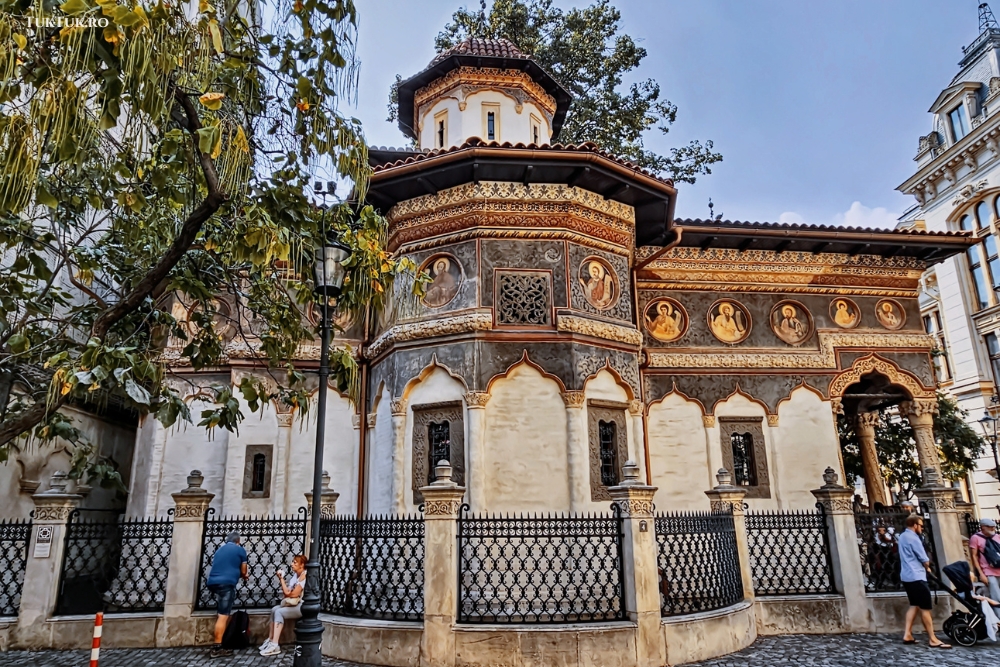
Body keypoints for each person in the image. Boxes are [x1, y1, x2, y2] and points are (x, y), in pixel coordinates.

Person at [898, 515, 951, 648]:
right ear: (915, 525)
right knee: (925, 608)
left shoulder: (903, 536)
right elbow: (924, 558)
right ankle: (932, 638)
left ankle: (907, 634)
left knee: (914, 604)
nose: (921, 528)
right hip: (917, 575)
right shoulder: (914, 538)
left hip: (906, 576)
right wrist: (927, 567)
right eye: (920, 525)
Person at [206, 531, 249, 658]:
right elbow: (243, 570)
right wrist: (244, 576)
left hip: (213, 582)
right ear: (238, 541)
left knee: (222, 611)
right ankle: (217, 647)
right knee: (223, 616)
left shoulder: (220, 549)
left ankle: (224, 638)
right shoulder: (240, 550)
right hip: (226, 584)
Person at [259, 554, 308, 657]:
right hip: (294, 604)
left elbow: (294, 594)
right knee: (274, 609)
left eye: (295, 562)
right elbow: (287, 593)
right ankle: (271, 639)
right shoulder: (296, 576)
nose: (292, 564)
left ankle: (275, 645)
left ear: (302, 565)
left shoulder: (304, 576)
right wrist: (282, 579)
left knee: (279, 612)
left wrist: (287, 588)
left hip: (302, 606)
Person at [970, 517, 1000, 602]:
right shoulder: (975, 538)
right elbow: (974, 556)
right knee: (996, 597)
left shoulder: (997, 536)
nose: (993, 528)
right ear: (983, 527)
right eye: (990, 526)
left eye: (993, 526)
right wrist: (981, 574)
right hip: (988, 572)